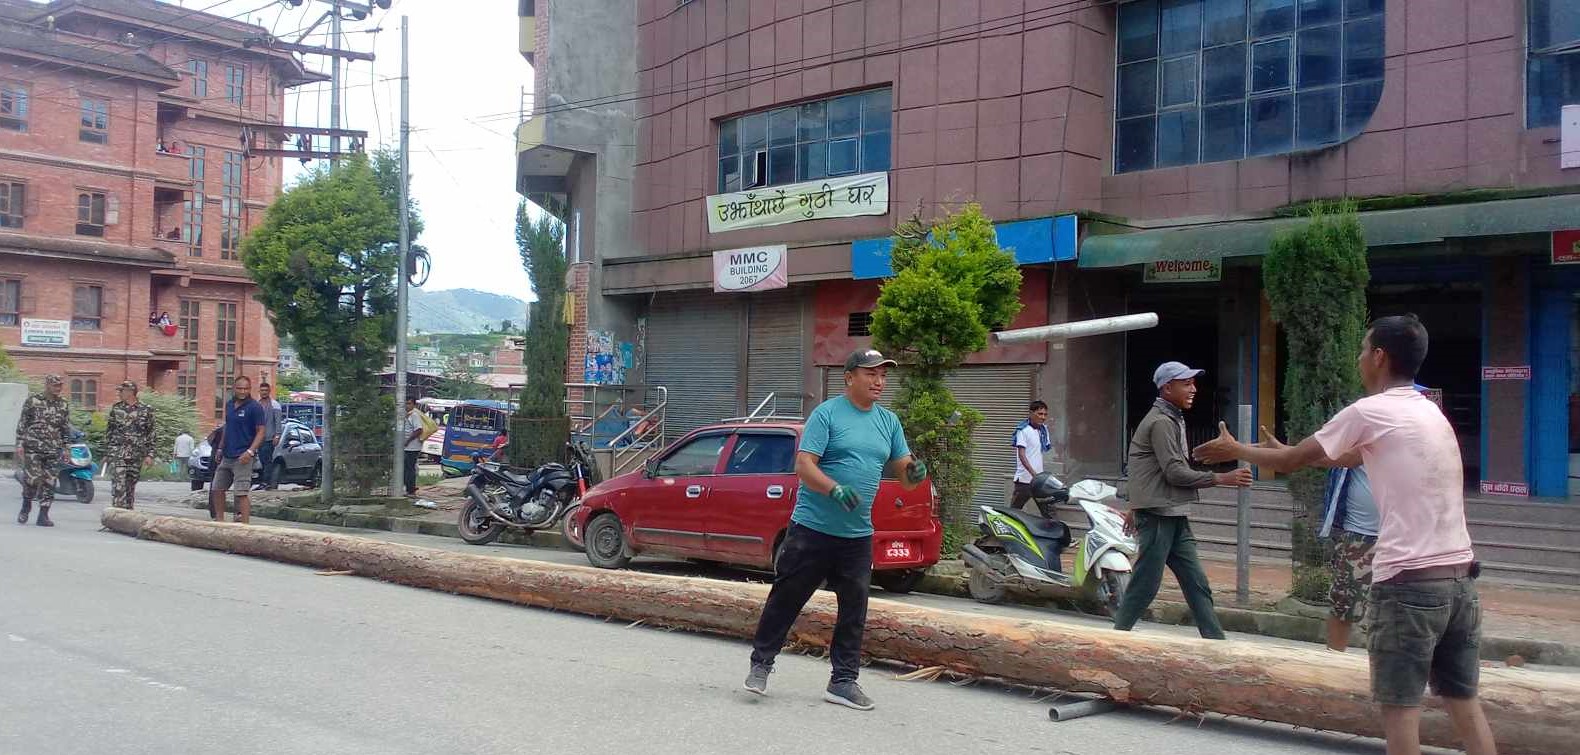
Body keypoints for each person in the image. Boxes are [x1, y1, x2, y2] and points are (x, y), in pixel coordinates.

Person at [1193, 315, 1495, 755]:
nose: (1358, 359)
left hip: (1409, 586)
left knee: (1400, 711)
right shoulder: (1428, 410)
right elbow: (1349, 458)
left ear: (1379, 356)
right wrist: (1282, 451)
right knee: (1465, 704)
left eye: (1362, 350)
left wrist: (1238, 450)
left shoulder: (1370, 410)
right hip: (1460, 581)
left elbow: (1296, 461)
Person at [744, 348, 927, 711]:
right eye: (870, 374)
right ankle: (761, 665)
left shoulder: (888, 422)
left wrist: (914, 472)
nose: (879, 381)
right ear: (849, 377)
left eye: (883, 376)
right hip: (812, 529)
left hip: (857, 536)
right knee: (786, 600)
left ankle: (843, 681)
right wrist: (834, 489)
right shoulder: (826, 414)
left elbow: (905, 473)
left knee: (854, 611)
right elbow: (803, 465)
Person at [1110, 361, 1252, 640]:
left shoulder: (1171, 417)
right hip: (1159, 515)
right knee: (1145, 584)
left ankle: (1215, 641)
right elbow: (1174, 472)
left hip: (1172, 515)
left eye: (1193, 382)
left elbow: (1141, 466)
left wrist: (1134, 504)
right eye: (1186, 383)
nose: (1194, 388)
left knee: (1196, 583)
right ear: (1167, 388)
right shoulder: (1161, 421)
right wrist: (1222, 478)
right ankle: (1116, 639)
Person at [15, 375, 72, 527]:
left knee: (50, 481)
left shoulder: (63, 404)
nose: (58, 388)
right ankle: (26, 506)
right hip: (33, 447)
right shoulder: (33, 401)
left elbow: (65, 428)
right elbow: (23, 423)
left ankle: (43, 515)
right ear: (47, 385)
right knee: (32, 480)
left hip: (53, 449)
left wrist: (67, 448)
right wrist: (19, 443)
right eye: (55, 385)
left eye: (60, 385)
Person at [210, 375, 265, 524]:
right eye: (240, 388)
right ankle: (220, 520)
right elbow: (227, 427)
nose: (242, 391)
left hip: (243, 456)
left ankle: (245, 526)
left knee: (241, 492)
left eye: (246, 388)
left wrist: (250, 451)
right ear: (234, 388)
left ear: (250, 389)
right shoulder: (229, 404)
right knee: (217, 488)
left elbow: (261, 431)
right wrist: (220, 448)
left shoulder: (255, 407)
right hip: (227, 455)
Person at [104, 381, 156, 510]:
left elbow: (151, 433)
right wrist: (108, 452)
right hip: (118, 452)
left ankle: (127, 513)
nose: (119, 394)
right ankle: (116, 513)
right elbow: (110, 431)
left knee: (130, 485)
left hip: (136, 453)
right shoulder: (116, 409)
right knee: (118, 484)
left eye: (121, 391)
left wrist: (150, 455)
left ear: (130, 392)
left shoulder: (146, 410)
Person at [1011, 400, 1051, 512]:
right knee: (1014, 511)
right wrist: (1034, 474)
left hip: (1039, 482)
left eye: (1045, 414)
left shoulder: (1043, 431)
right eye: (1040, 414)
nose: (1043, 417)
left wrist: (1039, 477)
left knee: (1048, 511)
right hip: (1024, 481)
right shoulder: (1023, 430)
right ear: (1031, 413)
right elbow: (1022, 455)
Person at [255, 381, 283, 490]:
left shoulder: (275, 405)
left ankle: (266, 482)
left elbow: (278, 422)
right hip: (257, 438)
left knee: (267, 460)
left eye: (266, 390)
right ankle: (264, 482)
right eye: (262, 390)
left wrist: (277, 435)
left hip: (268, 438)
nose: (264, 392)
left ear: (269, 391)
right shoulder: (257, 404)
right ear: (259, 391)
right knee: (262, 460)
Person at [403, 396, 425, 496]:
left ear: (414, 405)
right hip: (408, 446)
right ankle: (409, 487)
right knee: (407, 467)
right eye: (406, 403)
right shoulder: (408, 415)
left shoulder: (414, 415)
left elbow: (419, 430)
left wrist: (407, 441)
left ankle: (410, 490)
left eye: (409, 403)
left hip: (412, 447)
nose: (407, 405)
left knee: (409, 468)